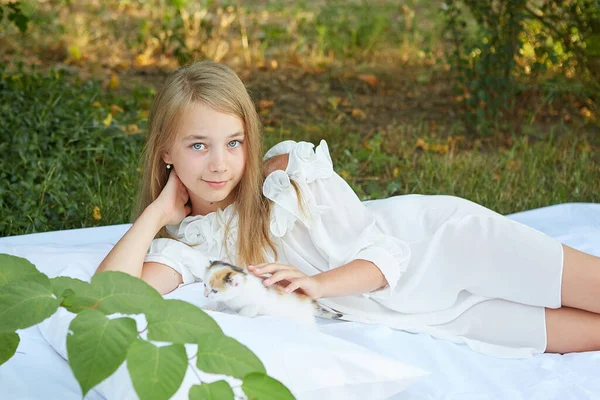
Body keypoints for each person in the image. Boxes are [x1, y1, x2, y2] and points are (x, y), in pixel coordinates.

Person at [96, 60, 600, 358]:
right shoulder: (191, 247)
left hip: (443, 248)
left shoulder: (287, 176)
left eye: (233, 142)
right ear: (166, 151)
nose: (221, 164)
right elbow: (107, 297)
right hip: (424, 316)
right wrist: (157, 213)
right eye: (198, 146)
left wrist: (316, 285)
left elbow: (385, 255)